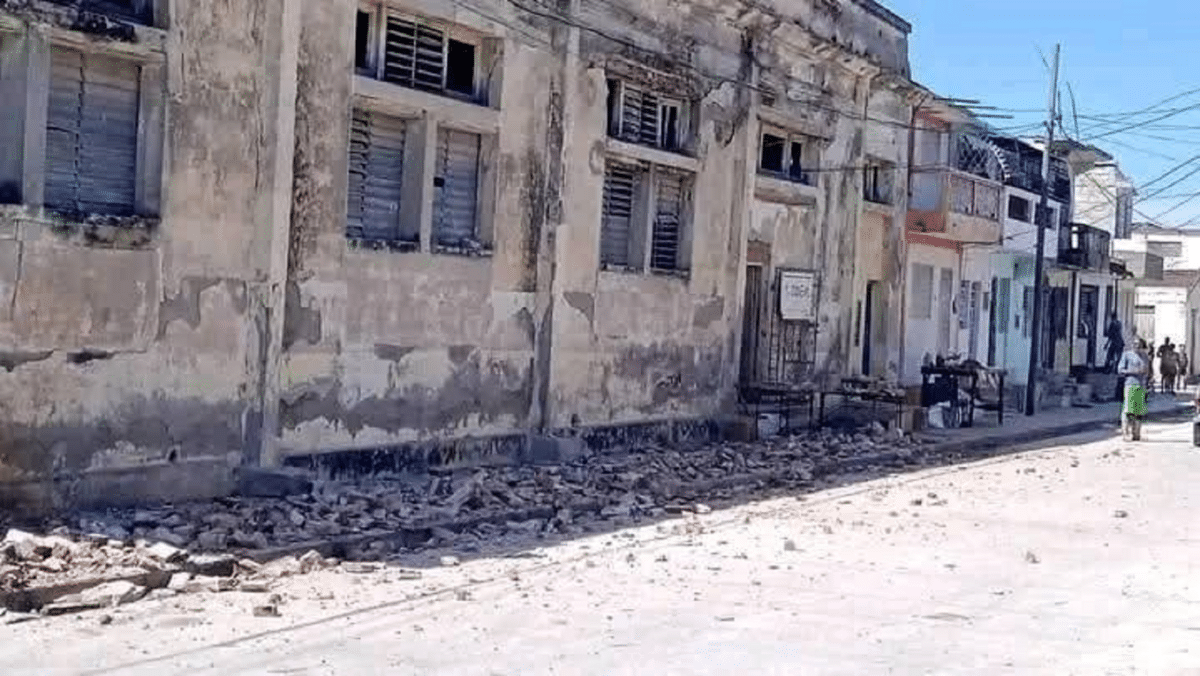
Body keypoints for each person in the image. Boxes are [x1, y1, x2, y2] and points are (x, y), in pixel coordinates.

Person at [1118, 338, 1149, 441]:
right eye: (1135, 344)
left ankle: (1136, 433)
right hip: (1130, 384)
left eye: (1139, 345)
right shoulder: (1127, 355)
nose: (1137, 346)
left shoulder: (1144, 356)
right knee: (1128, 409)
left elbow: (1147, 370)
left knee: (1139, 410)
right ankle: (1125, 433)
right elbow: (1120, 370)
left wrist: (1147, 375)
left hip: (1141, 386)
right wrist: (1133, 371)